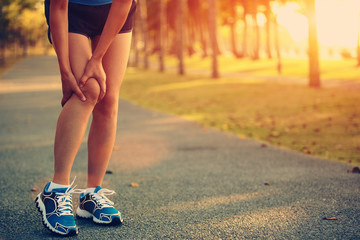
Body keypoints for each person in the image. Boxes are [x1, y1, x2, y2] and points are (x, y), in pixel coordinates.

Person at [34, 0, 137, 236]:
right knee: (87, 90)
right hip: (72, 10)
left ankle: (92, 194)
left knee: (108, 96)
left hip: (114, 9)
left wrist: (97, 59)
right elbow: (58, 6)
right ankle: (56, 190)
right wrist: (64, 72)